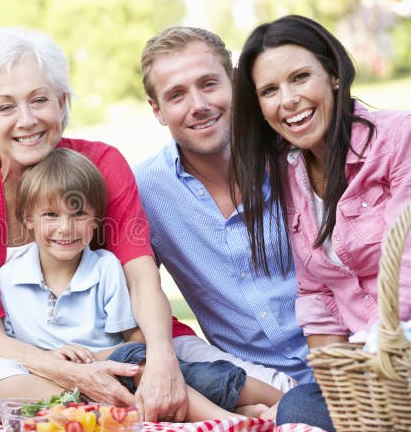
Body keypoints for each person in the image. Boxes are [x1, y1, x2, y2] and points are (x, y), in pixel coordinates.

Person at [0, 26, 195, 425]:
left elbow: (141, 275)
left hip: (125, 347)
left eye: (39, 100)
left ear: (62, 102)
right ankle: (138, 408)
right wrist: (78, 376)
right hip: (25, 362)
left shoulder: (102, 165)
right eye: (5, 107)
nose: (27, 120)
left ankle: (161, 402)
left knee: (203, 369)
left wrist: (162, 359)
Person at [0, 148, 282, 420]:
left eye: (79, 214)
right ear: (28, 219)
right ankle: (227, 420)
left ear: (96, 221)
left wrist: (90, 358)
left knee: (198, 375)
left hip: (123, 370)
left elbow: (135, 341)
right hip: (58, 383)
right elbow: (8, 349)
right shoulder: (9, 278)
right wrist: (53, 361)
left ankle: (280, 400)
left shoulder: (105, 268)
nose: (66, 228)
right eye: (51, 215)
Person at [230, 14, 411, 432]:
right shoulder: (288, 171)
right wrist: (336, 381)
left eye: (300, 77)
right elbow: (316, 290)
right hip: (367, 369)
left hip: (398, 349)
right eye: (270, 90)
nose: (288, 100)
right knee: (300, 408)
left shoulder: (397, 139)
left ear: (332, 74)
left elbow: (405, 267)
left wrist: (376, 355)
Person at [133, 26, 313, 393]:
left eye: (209, 84)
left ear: (234, 83)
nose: (199, 105)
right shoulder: (145, 192)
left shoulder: (295, 154)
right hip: (256, 382)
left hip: (345, 355)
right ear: (158, 110)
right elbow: (130, 298)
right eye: (177, 95)